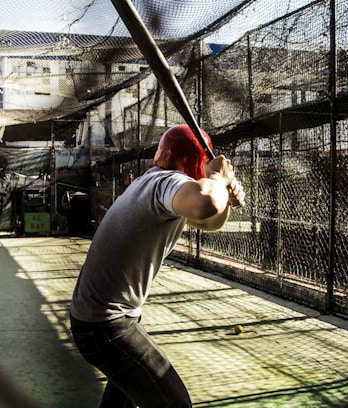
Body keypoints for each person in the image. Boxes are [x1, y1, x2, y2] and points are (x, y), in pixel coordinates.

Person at [69, 124, 245, 407]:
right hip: (108, 326)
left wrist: (224, 198)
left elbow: (207, 220)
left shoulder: (150, 183)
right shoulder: (165, 183)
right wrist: (216, 180)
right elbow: (204, 204)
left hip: (103, 321)